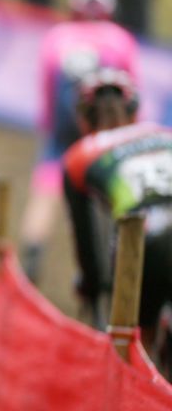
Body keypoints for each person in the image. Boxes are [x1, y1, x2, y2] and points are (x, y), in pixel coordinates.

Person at [18, 0, 139, 283]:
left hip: (65, 123)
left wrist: (49, 130)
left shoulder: (57, 36)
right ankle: (112, 253)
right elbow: (132, 94)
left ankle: (33, 246)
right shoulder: (120, 39)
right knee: (106, 186)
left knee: (47, 182)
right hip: (104, 124)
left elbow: (46, 92)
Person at [62, 69, 172, 348]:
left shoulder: (81, 155)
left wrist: (91, 286)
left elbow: (86, 243)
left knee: (137, 345)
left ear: (85, 118)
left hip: (150, 241)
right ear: (134, 109)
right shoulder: (163, 133)